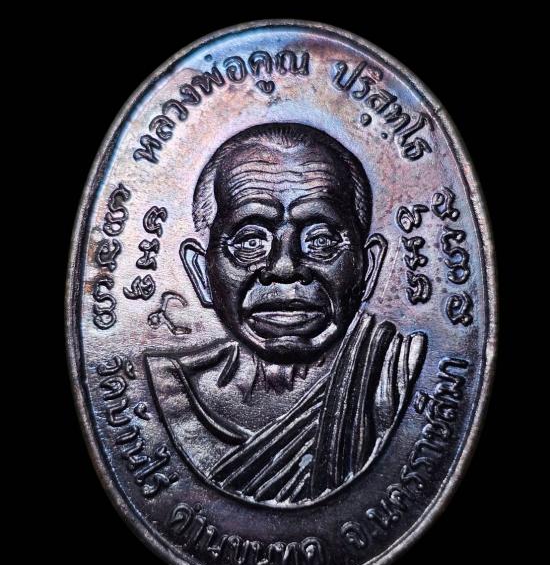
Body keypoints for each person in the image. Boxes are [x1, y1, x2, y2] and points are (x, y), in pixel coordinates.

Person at [146, 123, 426, 506]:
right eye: (250, 240)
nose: (284, 267)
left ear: (369, 268)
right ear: (201, 272)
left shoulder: (398, 374)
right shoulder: (163, 391)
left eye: (321, 240)